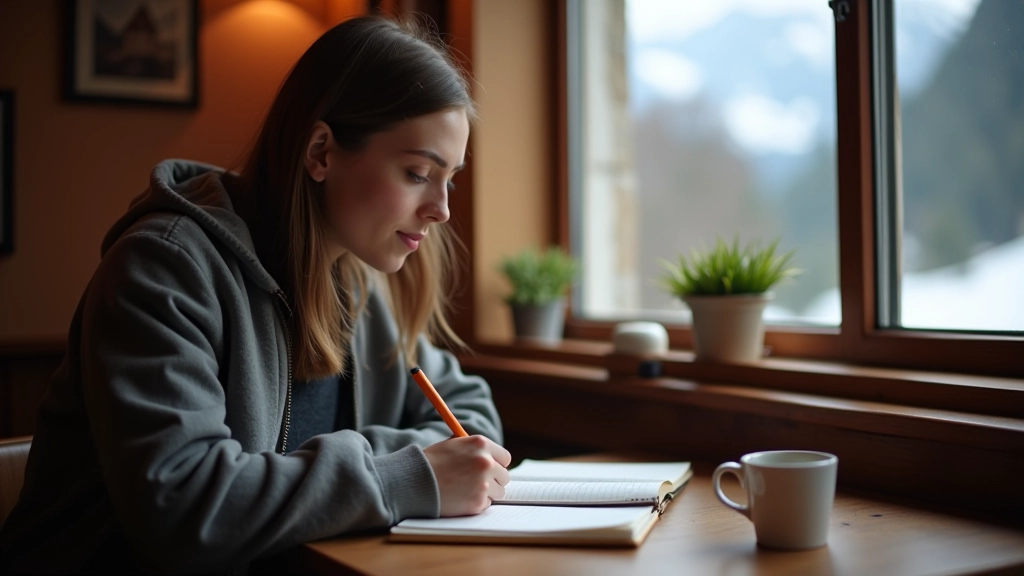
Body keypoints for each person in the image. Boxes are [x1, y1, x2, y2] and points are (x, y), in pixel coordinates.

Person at [0, 15, 510, 574]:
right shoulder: (163, 268)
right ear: (320, 152)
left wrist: (355, 472)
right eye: (418, 172)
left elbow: (471, 419)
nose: (442, 208)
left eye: (450, 178)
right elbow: (185, 506)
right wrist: (405, 474)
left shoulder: (354, 280)